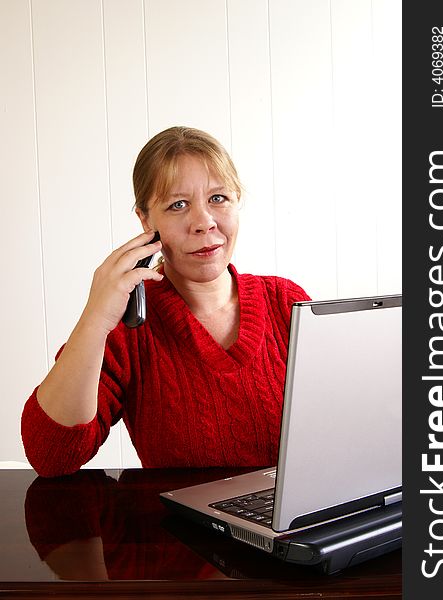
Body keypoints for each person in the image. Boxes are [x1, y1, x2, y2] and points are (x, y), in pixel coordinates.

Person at [21, 126, 311, 477]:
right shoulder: (129, 326)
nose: (203, 223)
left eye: (218, 198)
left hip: (291, 530)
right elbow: (51, 457)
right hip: (180, 532)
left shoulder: (286, 301)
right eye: (178, 205)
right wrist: (96, 319)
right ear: (145, 220)